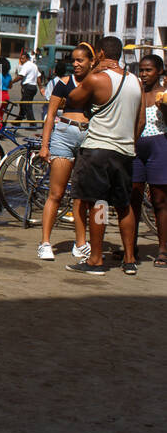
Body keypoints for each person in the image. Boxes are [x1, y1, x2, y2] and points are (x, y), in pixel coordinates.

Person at [65, 36, 144, 275]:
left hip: (98, 150)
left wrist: (91, 72)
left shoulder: (97, 79)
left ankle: (96, 260)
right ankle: (130, 260)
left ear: (99, 54)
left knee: (98, 204)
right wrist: (130, 142)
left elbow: (74, 98)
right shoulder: (135, 81)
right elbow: (140, 120)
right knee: (124, 205)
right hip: (125, 151)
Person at [36, 43, 96, 261]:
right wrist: (45, 145)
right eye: (74, 60)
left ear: (91, 61)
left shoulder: (97, 83)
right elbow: (50, 116)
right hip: (63, 135)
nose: (76, 64)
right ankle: (44, 242)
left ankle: (80, 243)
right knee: (56, 193)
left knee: (82, 195)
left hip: (89, 136)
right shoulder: (63, 84)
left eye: (81, 60)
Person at [129, 52, 167, 267]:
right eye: (141, 70)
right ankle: (130, 246)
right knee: (132, 198)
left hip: (159, 146)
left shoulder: (164, 94)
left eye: (148, 70)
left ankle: (163, 249)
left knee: (160, 201)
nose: (143, 74)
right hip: (135, 148)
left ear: (159, 71)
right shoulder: (135, 93)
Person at [16, 49, 41, 120]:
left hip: (28, 87)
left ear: (27, 59)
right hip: (33, 88)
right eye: (20, 58)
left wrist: (12, 82)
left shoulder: (26, 65)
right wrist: (40, 87)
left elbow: (20, 76)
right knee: (23, 103)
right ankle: (18, 120)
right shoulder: (34, 66)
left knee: (27, 105)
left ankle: (32, 122)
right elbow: (38, 76)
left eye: (23, 59)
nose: (21, 60)